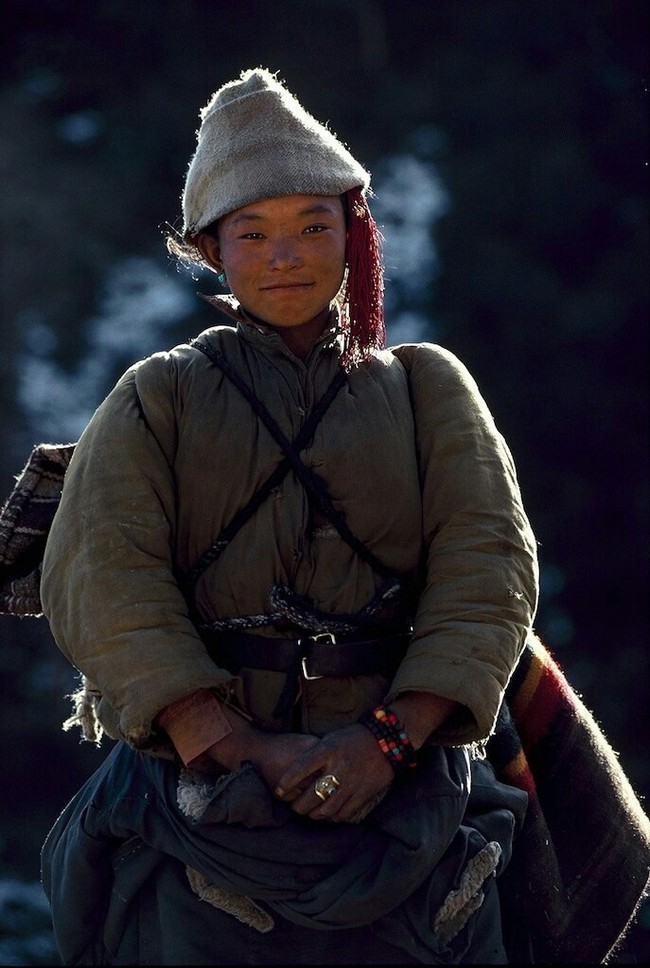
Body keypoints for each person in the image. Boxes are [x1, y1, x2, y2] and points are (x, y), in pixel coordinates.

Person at [39, 67, 540, 965]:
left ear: (352, 240)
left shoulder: (429, 391)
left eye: (314, 228)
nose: (286, 257)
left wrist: (390, 739)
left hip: (406, 780)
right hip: (202, 791)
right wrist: (231, 742)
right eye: (254, 233)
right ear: (211, 249)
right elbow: (103, 576)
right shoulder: (159, 397)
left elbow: (488, 568)